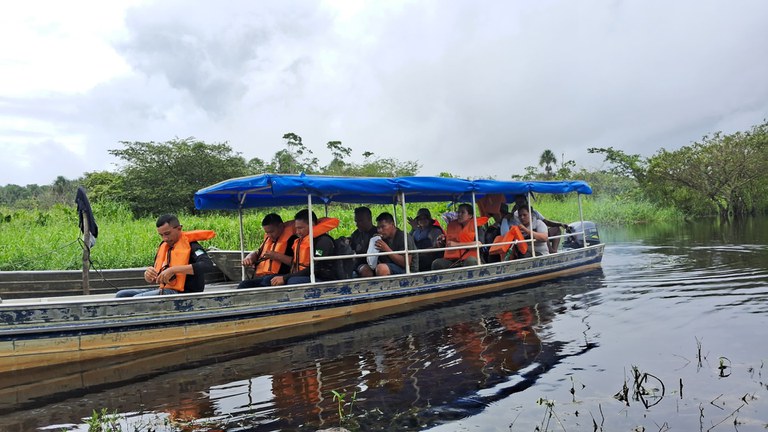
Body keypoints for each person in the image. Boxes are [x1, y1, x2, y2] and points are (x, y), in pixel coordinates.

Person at [117, 214, 214, 297]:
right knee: (122, 294)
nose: (165, 238)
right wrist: (148, 275)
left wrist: (174, 270)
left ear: (179, 229)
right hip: (166, 289)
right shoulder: (164, 247)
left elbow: (207, 265)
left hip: (183, 293)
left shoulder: (193, 246)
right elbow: (155, 274)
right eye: (161, 235)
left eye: (167, 233)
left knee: (136, 299)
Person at [270, 209, 339, 286]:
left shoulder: (323, 242)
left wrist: (285, 278)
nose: (297, 232)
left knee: (293, 281)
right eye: (296, 228)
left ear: (312, 225)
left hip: (322, 278)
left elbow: (316, 268)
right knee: (269, 279)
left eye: (300, 228)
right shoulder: (301, 240)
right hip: (304, 275)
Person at [238, 213, 297, 288]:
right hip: (262, 277)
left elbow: (297, 263)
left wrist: (276, 256)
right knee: (244, 284)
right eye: (267, 232)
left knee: (266, 280)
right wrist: (249, 257)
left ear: (281, 226)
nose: (269, 235)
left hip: (280, 277)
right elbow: (257, 252)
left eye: (271, 232)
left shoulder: (293, 240)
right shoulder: (268, 239)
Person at [358, 212, 418, 277]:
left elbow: (406, 263)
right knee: (365, 270)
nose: (380, 230)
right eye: (378, 228)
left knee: (381, 269)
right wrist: (374, 245)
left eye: (383, 227)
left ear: (392, 225)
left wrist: (386, 249)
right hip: (389, 265)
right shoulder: (383, 238)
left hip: (407, 270)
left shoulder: (404, 237)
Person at [431, 203, 489, 270]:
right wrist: (443, 241)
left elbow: (479, 244)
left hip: (471, 259)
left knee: (470, 260)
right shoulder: (453, 226)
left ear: (470, 215)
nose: (459, 214)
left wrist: (456, 245)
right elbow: (450, 243)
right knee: (437, 263)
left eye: (462, 212)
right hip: (454, 261)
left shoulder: (477, 227)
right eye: (458, 212)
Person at [349, 206, 379, 274]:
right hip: (359, 264)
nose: (357, 224)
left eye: (360, 221)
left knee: (365, 270)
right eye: (356, 221)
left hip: (376, 263)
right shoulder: (356, 234)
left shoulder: (378, 233)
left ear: (369, 219)